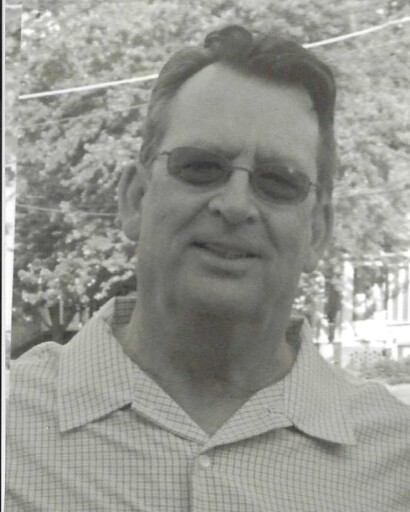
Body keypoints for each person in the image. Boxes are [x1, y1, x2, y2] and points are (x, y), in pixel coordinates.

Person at [6, 25, 410, 511]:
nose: (235, 205)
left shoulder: (396, 462)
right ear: (135, 199)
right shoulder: (15, 426)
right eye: (201, 167)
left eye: (278, 182)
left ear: (317, 232)